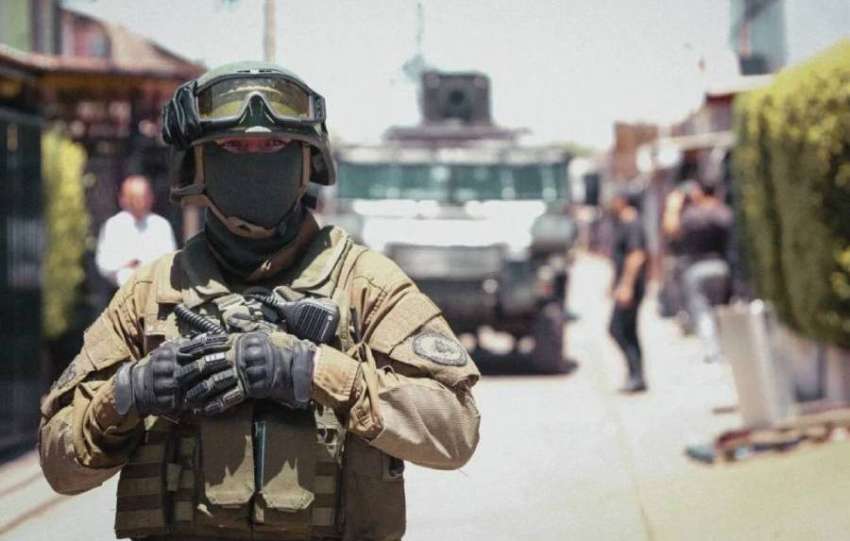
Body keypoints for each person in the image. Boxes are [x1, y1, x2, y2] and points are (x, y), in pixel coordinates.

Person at [39, 62, 481, 541]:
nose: (254, 159)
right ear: (198, 164)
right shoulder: (151, 294)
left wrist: (313, 371)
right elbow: (59, 464)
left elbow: (455, 432)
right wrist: (129, 392)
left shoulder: (364, 284)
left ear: (307, 160)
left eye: (274, 145)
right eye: (233, 146)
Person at [663, 179, 733, 362]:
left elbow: (670, 229)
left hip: (696, 269)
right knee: (721, 309)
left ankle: (713, 352)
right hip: (720, 267)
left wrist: (672, 206)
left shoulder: (690, 216)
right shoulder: (719, 212)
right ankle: (728, 347)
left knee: (703, 313)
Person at [95, 175, 177, 287]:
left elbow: (169, 262)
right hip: (119, 290)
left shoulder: (161, 225)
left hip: (155, 289)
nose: (140, 202)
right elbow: (105, 264)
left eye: (143, 197)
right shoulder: (113, 225)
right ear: (123, 199)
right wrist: (127, 263)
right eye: (135, 197)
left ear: (151, 198)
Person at [608, 187, 648, 393]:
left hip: (632, 286)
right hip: (627, 284)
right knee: (628, 331)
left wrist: (626, 285)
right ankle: (636, 375)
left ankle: (636, 374)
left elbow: (636, 255)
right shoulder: (623, 222)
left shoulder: (632, 222)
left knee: (617, 329)